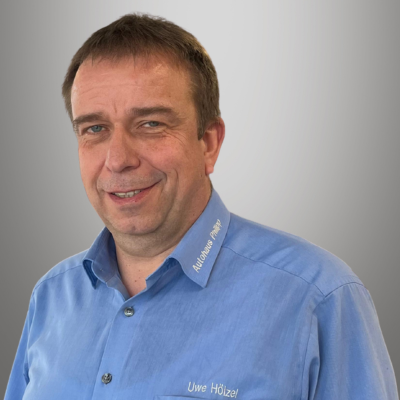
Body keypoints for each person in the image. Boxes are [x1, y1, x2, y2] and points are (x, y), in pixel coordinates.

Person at [5, 13, 398, 400]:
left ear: (209, 143)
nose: (118, 159)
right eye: (94, 128)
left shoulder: (318, 297)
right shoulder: (51, 297)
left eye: (151, 124)